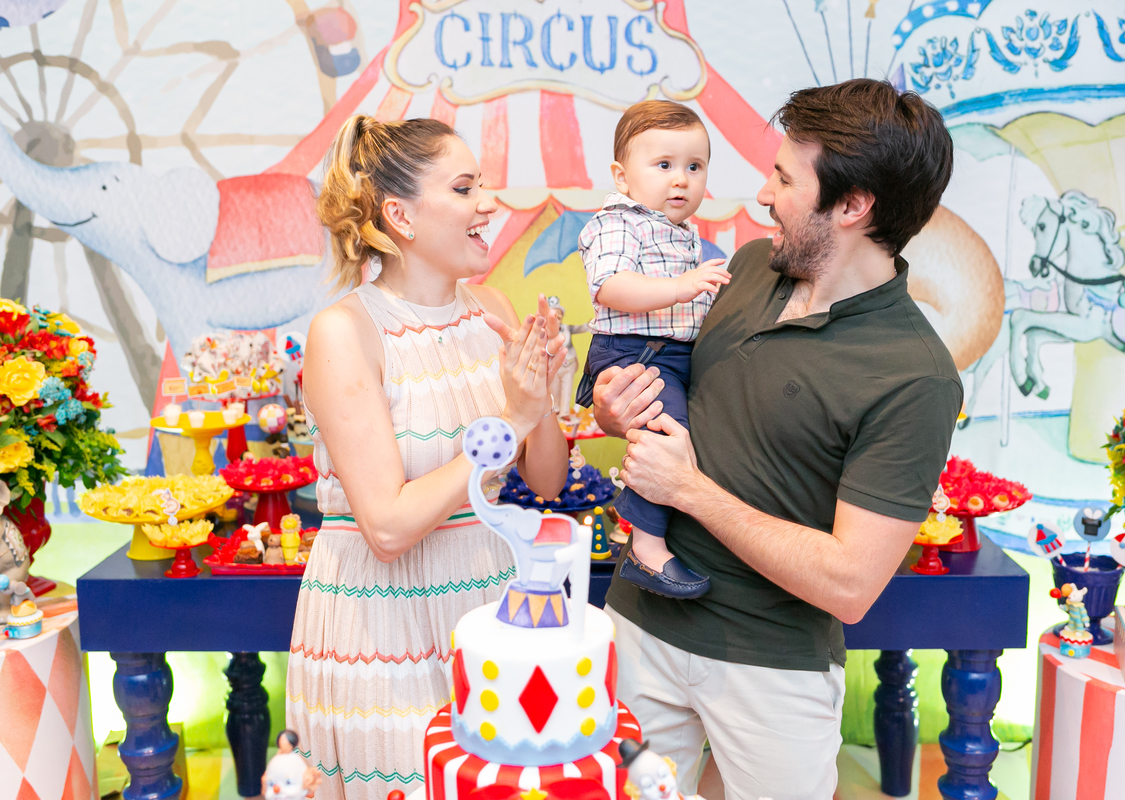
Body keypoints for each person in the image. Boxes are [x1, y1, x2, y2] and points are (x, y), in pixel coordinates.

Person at [594, 80, 963, 800]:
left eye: (787, 178)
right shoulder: (743, 270)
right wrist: (618, 410)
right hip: (639, 627)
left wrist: (689, 491)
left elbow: (851, 585)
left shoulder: (914, 375)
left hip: (771, 667)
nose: (764, 194)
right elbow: (665, 401)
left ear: (853, 206)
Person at [286, 114, 568, 800]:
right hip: (381, 625)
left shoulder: (493, 308)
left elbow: (546, 481)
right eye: (466, 188)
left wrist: (540, 407)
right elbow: (386, 527)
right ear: (400, 216)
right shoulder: (346, 331)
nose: (488, 204)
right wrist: (511, 418)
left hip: (491, 609)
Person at [576, 100, 730, 600]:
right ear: (622, 176)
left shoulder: (683, 232)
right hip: (635, 352)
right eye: (663, 166)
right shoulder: (619, 222)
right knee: (668, 436)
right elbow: (612, 287)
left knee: (698, 433)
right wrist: (685, 285)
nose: (680, 180)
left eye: (694, 166)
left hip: (669, 350)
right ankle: (646, 547)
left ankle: (667, 529)